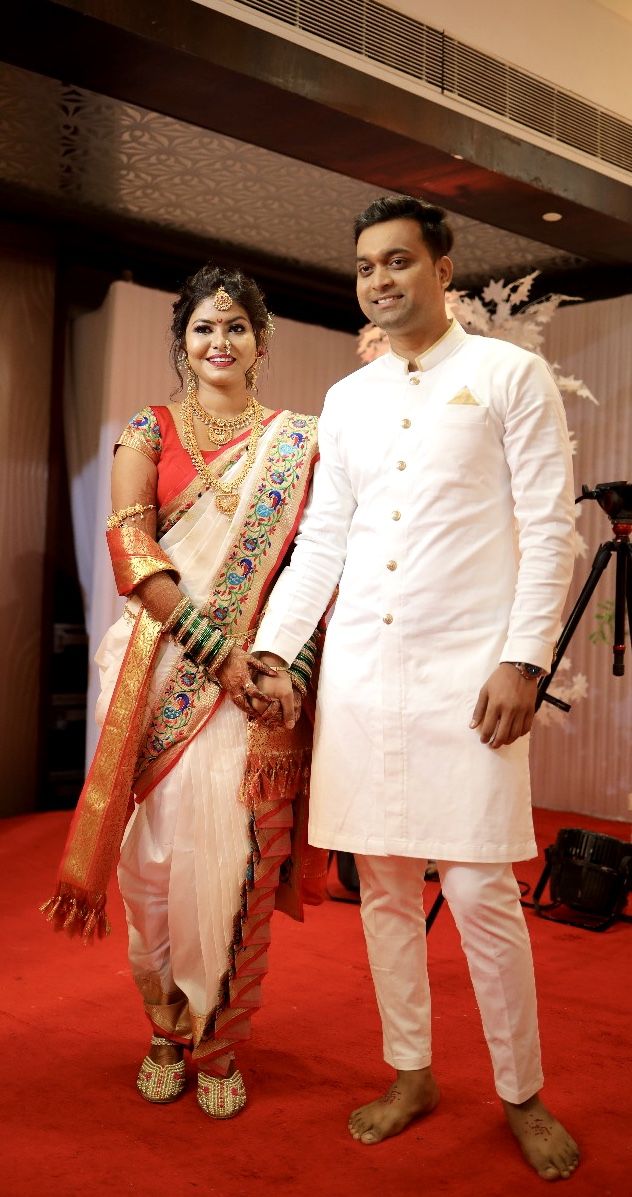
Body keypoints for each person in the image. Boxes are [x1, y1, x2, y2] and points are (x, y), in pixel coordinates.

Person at [250, 197, 580, 1180]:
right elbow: (323, 542)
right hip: (361, 673)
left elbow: (550, 531)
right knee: (383, 889)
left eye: (396, 261)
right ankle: (410, 1072)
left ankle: (519, 1091)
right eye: (363, 267)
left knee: (479, 890)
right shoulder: (346, 401)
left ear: (443, 267)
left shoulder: (507, 376)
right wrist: (277, 648)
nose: (378, 280)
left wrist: (525, 661)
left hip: (471, 676)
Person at [42, 264, 325, 1119]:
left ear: (263, 343)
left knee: (236, 858)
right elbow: (132, 549)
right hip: (160, 671)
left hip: (255, 687)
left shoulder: (299, 441)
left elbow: (319, 569)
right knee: (155, 864)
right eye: (205, 326)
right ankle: (166, 1026)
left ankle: (222, 1040)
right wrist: (214, 650)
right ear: (183, 342)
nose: (221, 341)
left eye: (237, 326)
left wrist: (283, 670)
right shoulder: (150, 428)